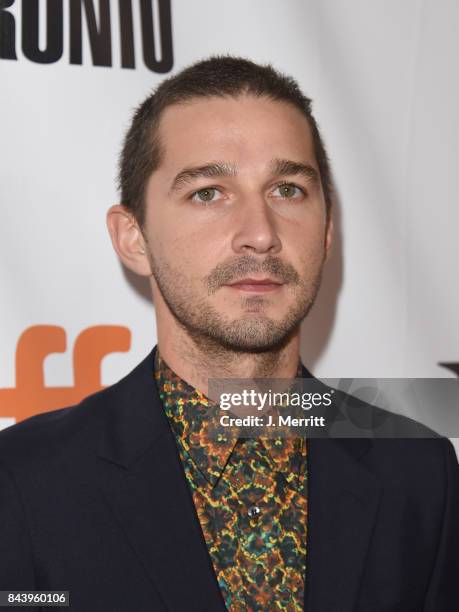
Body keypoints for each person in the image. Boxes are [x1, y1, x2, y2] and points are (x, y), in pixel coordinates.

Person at [0, 56, 458, 612]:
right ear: (134, 238)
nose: (260, 234)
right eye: (208, 193)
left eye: (288, 189)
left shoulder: (419, 475)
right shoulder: (23, 482)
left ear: (328, 230)